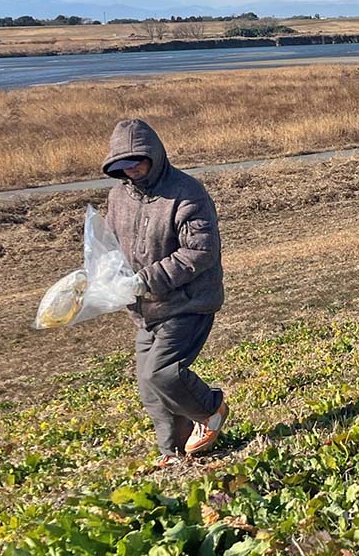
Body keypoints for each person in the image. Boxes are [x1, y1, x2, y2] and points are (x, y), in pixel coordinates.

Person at [102, 119, 228, 467]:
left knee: (164, 373)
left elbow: (201, 251)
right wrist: (103, 278)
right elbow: (111, 246)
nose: (131, 170)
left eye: (137, 161)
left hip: (188, 302)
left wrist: (147, 279)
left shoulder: (187, 192)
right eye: (122, 166)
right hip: (145, 309)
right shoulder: (118, 197)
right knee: (150, 388)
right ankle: (173, 453)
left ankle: (211, 408)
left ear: (155, 156)